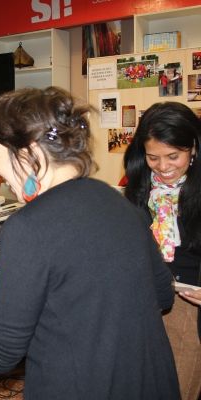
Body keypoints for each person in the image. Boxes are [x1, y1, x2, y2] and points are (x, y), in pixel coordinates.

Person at [0, 87, 180, 399]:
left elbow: (0, 351)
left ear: (30, 152)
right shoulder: (122, 204)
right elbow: (162, 294)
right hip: (148, 382)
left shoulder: (28, 227)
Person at [123, 101, 201, 400]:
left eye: (174, 156)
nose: (164, 167)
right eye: (153, 157)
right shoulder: (141, 183)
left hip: (189, 306)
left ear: (192, 148)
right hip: (147, 299)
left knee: (179, 388)